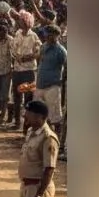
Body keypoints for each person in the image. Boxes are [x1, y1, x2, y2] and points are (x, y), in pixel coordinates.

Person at [36, 25, 68, 156]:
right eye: (46, 34)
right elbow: (41, 62)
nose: (47, 36)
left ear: (56, 36)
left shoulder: (61, 51)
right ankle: (43, 141)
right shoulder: (43, 46)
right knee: (40, 115)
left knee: (55, 117)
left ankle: (57, 144)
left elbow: (66, 68)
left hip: (53, 86)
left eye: (50, 34)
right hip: (40, 85)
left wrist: (62, 85)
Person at [10, 11, 41, 132]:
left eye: (22, 21)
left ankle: (26, 125)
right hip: (17, 69)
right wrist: (16, 57)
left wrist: (25, 57)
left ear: (28, 23)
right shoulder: (17, 33)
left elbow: (37, 52)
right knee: (17, 97)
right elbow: (13, 48)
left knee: (28, 98)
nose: (20, 23)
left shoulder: (34, 36)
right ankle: (17, 122)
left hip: (29, 70)